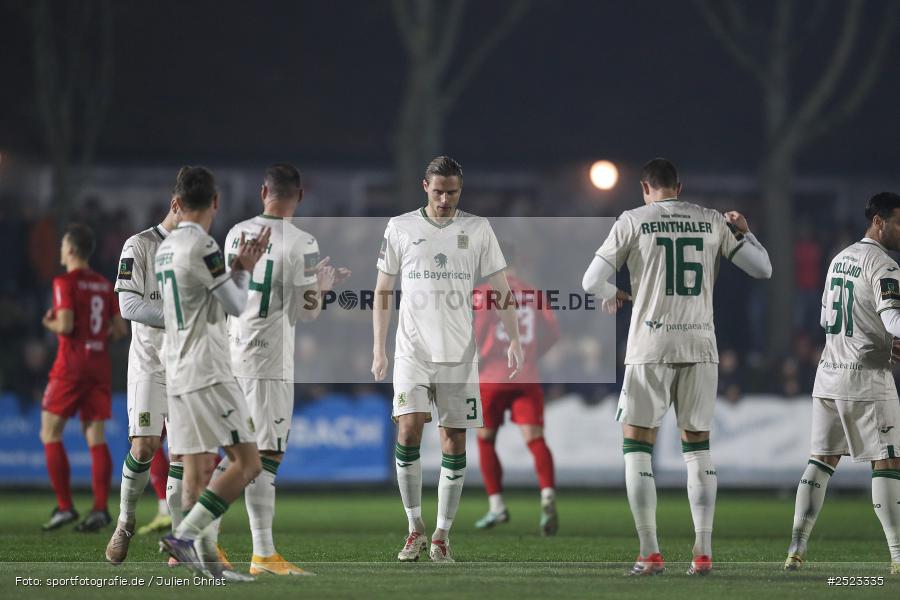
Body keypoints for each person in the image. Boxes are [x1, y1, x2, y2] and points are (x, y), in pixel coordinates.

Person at [582, 158, 772, 575]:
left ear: (645, 188)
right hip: (701, 343)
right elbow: (763, 269)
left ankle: (650, 553)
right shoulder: (711, 220)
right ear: (679, 187)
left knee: (637, 444)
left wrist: (615, 295)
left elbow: (590, 280)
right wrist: (745, 230)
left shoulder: (633, 219)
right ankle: (702, 553)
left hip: (649, 344)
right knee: (698, 446)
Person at [372, 156, 524, 563]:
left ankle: (441, 534)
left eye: (452, 192)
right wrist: (378, 348)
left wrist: (514, 338)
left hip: (458, 353)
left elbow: (501, 286)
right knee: (408, 430)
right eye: (438, 191)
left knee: (453, 440)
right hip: (412, 351)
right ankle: (413, 528)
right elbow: (384, 290)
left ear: (461, 189)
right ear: (425, 186)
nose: (444, 199)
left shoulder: (477, 228)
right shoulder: (400, 227)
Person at [225, 164, 349, 576]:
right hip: (269, 359)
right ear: (300, 196)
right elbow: (307, 312)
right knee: (264, 454)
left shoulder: (234, 233)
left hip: (232, 351)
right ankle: (250, 551)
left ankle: (208, 541)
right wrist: (322, 290)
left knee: (240, 452)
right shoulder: (302, 242)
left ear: (263, 191)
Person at [155, 166, 269, 580]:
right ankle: (183, 537)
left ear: (177, 203)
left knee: (197, 471)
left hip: (176, 370)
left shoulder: (164, 248)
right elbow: (236, 304)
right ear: (216, 203)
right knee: (248, 462)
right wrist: (243, 267)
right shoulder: (203, 246)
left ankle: (210, 571)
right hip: (209, 370)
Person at [783, 192, 900, 575]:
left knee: (821, 461)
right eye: (898, 223)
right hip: (867, 380)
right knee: (887, 463)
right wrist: (889, 338)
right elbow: (893, 318)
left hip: (829, 374)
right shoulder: (883, 264)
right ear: (879, 222)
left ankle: (796, 548)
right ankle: (899, 555)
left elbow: (825, 319)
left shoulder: (839, 258)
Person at [40, 223, 128, 532]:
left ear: (72, 250)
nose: (61, 251)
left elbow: (64, 325)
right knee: (96, 437)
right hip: (98, 365)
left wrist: (48, 322)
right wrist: (95, 336)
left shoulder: (64, 282)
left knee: (50, 433)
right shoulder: (104, 284)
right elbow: (120, 330)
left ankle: (65, 507)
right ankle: (100, 509)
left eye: (63, 245)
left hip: (70, 366)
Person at [471, 247, 561, 534]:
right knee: (535, 439)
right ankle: (547, 495)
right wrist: (531, 355)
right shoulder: (533, 293)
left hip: (492, 376)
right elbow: (553, 332)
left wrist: (479, 359)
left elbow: (478, 329)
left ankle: (497, 506)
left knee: (485, 439)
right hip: (526, 374)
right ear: (517, 261)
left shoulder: (484, 292)